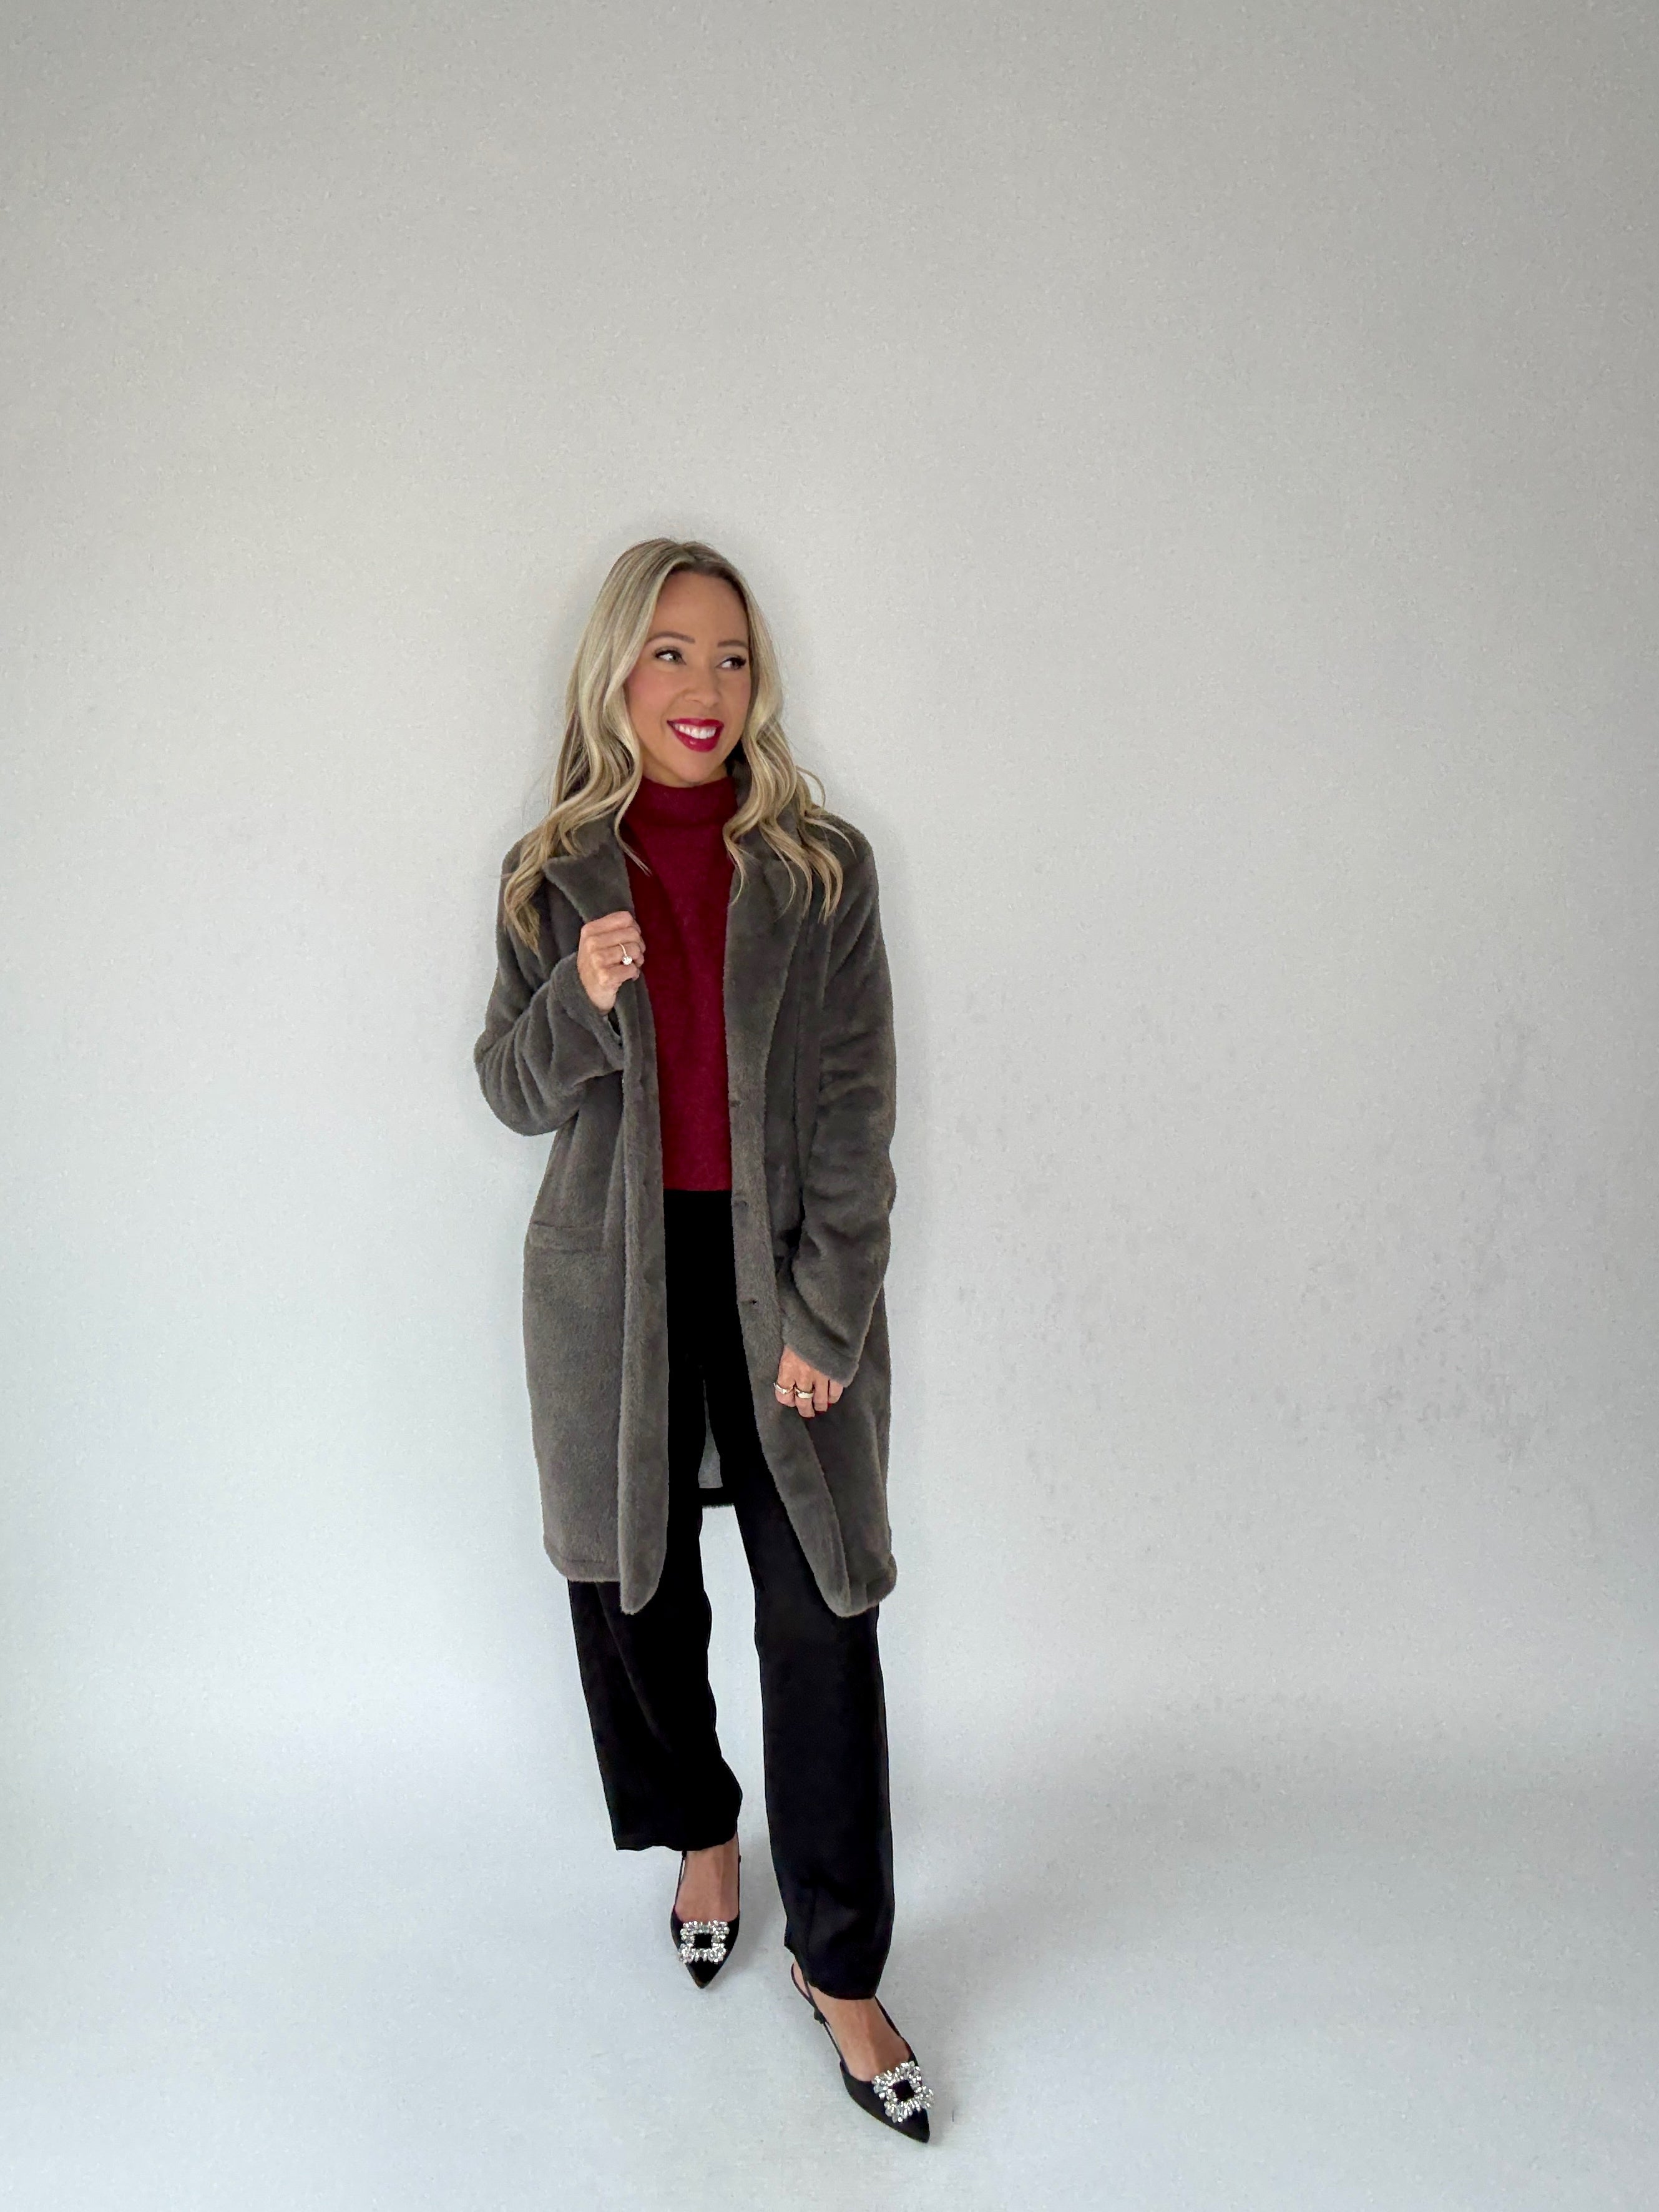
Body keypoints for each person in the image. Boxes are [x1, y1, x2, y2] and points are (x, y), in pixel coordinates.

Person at [472, 538, 934, 2142]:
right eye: (671, 652)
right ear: (617, 669)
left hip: (781, 1277)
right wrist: (576, 998)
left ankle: (841, 1963)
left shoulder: (819, 868)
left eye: (731, 656)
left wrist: (829, 1311)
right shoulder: (550, 874)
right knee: (634, 1592)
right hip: (610, 1284)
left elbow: (861, 1112)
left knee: (820, 1613)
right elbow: (508, 1088)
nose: (704, 687)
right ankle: (704, 1837)